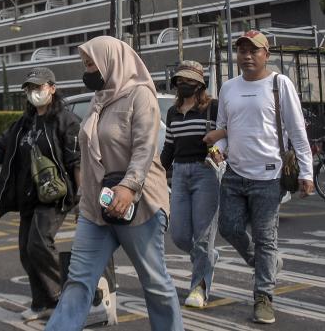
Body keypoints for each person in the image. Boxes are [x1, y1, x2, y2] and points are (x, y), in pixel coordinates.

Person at [45, 35, 183, 331]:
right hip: (98, 209)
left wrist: (129, 186)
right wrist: (84, 202)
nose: (88, 70)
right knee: (78, 281)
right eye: (85, 64)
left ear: (111, 61)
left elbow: (145, 147)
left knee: (155, 283)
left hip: (139, 206)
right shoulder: (99, 100)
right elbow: (89, 157)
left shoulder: (140, 95)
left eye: (91, 63)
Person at [0, 67, 80, 322]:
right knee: (26, 249)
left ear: (52, 89)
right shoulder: (23, 124)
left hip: (55, 196)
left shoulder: (66, 121)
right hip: (27, 196)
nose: (34, 93)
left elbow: (77, 161)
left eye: (38, 87)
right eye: (30, 88)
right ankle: (40, 303)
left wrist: (83, 200)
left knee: (39, 243)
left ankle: (59, 300)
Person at [205, 30, 314, 324]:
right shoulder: (228, 88)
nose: (247, 55)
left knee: (266, 238)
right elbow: (225, 131)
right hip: (234, 174)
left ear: (266, 54)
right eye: (242, 50)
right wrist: (217, 150)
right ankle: (266, 263)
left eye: (254, 50)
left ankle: (263, 296)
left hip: (270, 175)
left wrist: (306, 171)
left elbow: (297, 133)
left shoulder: (280, 84)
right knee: (229, 228)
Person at [160, 60, 220, 309]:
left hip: (206, 172)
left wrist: (218, 146)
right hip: (180, 174)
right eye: (180, 81)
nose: (184, 85)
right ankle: (207, 258)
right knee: (180, 235)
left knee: (204, 236)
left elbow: (227, 133)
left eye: (189, 81)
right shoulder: (173, 113)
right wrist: (156, 171)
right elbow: (169, 147)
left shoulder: (212, 108)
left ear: (200, 84)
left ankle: (199, 287)